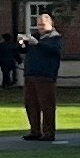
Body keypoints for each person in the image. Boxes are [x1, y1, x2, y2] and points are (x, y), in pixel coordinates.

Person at [21, 8, 62, 144]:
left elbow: (53, 51)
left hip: (45, 76)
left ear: (50, 24)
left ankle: (48, 132)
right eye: (38, 25)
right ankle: (35, 131)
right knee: (31, 104)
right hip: (30, 74)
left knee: (47, 105)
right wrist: (22, 44)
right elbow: (24, 52)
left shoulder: (55, 38)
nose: (40, 28)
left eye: (43, 25)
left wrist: (37, 44)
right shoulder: (35, 38)